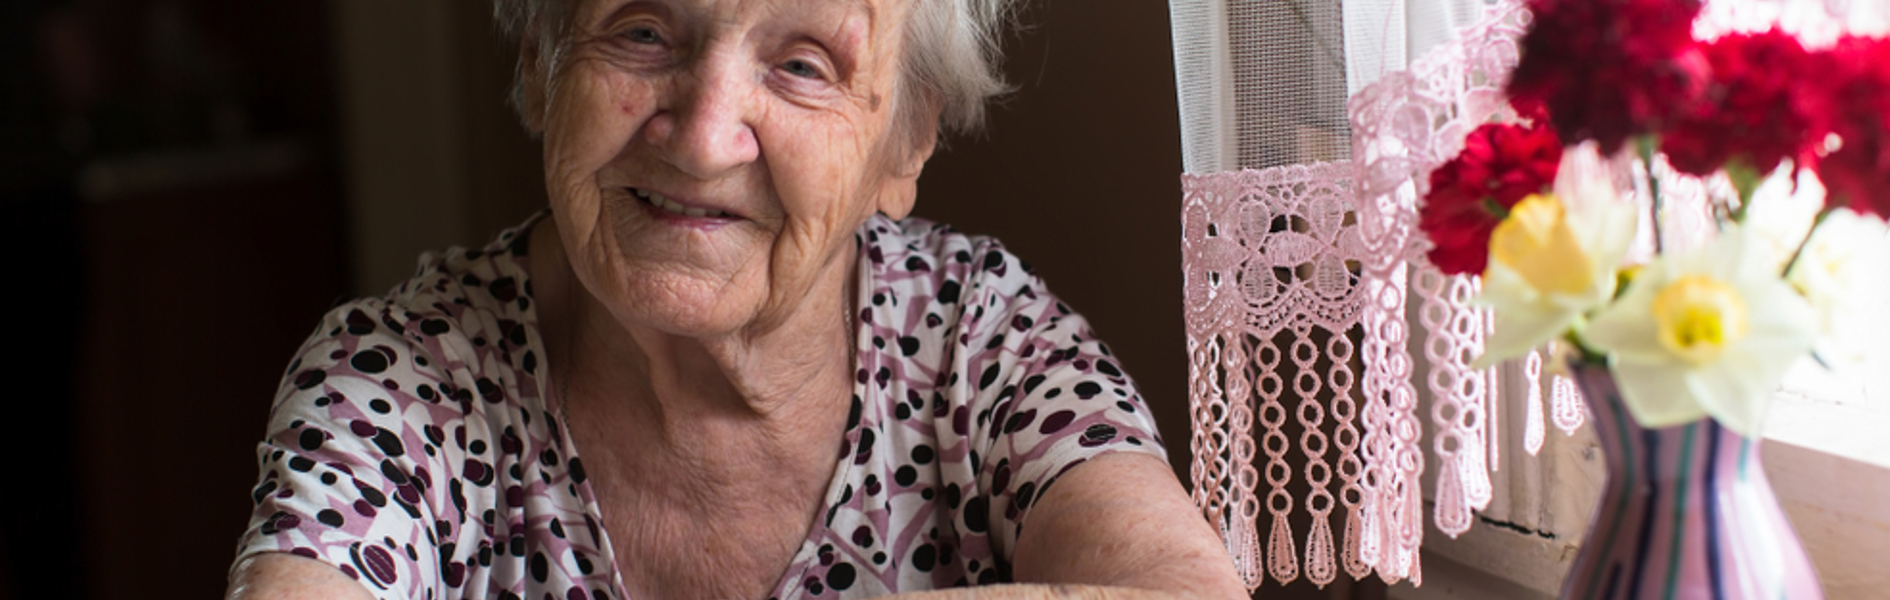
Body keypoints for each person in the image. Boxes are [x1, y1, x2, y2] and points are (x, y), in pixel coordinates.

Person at [224, 0, 1246, 598]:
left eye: (802, 65)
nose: (705, 136)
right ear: (541, 66)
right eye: (643, 34)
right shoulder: (399, 378)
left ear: (908, 145)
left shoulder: (980, 339)